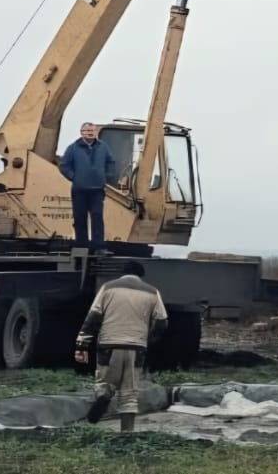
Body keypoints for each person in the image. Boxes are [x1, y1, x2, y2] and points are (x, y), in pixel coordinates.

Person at [75, 272, 169, 432]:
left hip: (108, 345)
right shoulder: (153, 292)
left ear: (122, 274)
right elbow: (162, 322)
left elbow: (93, 318)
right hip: (137, 348)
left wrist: (82, 346)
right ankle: (127, 433)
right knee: (130, 391)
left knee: (104, 382)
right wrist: (148, 341)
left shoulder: (108, 287)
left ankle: (105, 395)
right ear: (141, 275)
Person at [59, 121, 112, 248]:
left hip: (98, 189)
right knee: (80, 217)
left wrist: (107, 177)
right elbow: (64, 165)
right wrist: (74, 177)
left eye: (92, 131)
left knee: (97, 216)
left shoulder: (103, 147)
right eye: (87, 131)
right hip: (79, 190)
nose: (90, 133)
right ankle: (81, 244)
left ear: (96, 132)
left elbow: (110, 162)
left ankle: (98, 245)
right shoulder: (73, 148)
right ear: (81, 133)